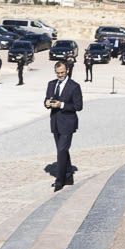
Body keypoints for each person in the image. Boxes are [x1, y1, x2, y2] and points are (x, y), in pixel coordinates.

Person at [46, 61, 83, 191]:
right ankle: (68, 176)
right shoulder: (51, 84)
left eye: (62, 72)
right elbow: (47, 99)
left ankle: (59, 180)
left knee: (61, 150)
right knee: (63, 150)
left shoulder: (74, 86)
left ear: (67, 70)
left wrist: (61, 105)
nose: (60, 75)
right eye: (58, 73)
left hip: (68, 123)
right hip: (55, 122)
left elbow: (78, 106)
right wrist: (47, 103)